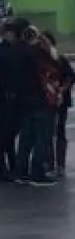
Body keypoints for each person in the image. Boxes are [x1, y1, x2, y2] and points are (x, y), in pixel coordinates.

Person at [10, 24, 59, 187]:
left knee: (25, 138)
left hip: (22, 100)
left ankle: (21, 172)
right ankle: (37, 173)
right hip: (39, 99)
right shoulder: (37, 54)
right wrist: (46, 46)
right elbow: (52, 67)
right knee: (41, 137)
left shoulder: (15, 53)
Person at [0, 18, 21, 183]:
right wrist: (0, 91)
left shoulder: (16, 50)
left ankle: (13, 167)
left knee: (12, 135)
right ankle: (3, 168)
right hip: (4, 98)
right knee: (3, 136)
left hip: (16, 98)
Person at [41, 31, 73, 179]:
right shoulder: (39, 61)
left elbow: (71, 76)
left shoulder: (60, 59)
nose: (44, 45)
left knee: (60, 131)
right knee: (47, 132)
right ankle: (48, 163)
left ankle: (60, 165)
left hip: (61, 100)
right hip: (45, 101)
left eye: (46, 42)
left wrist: (61, 89)